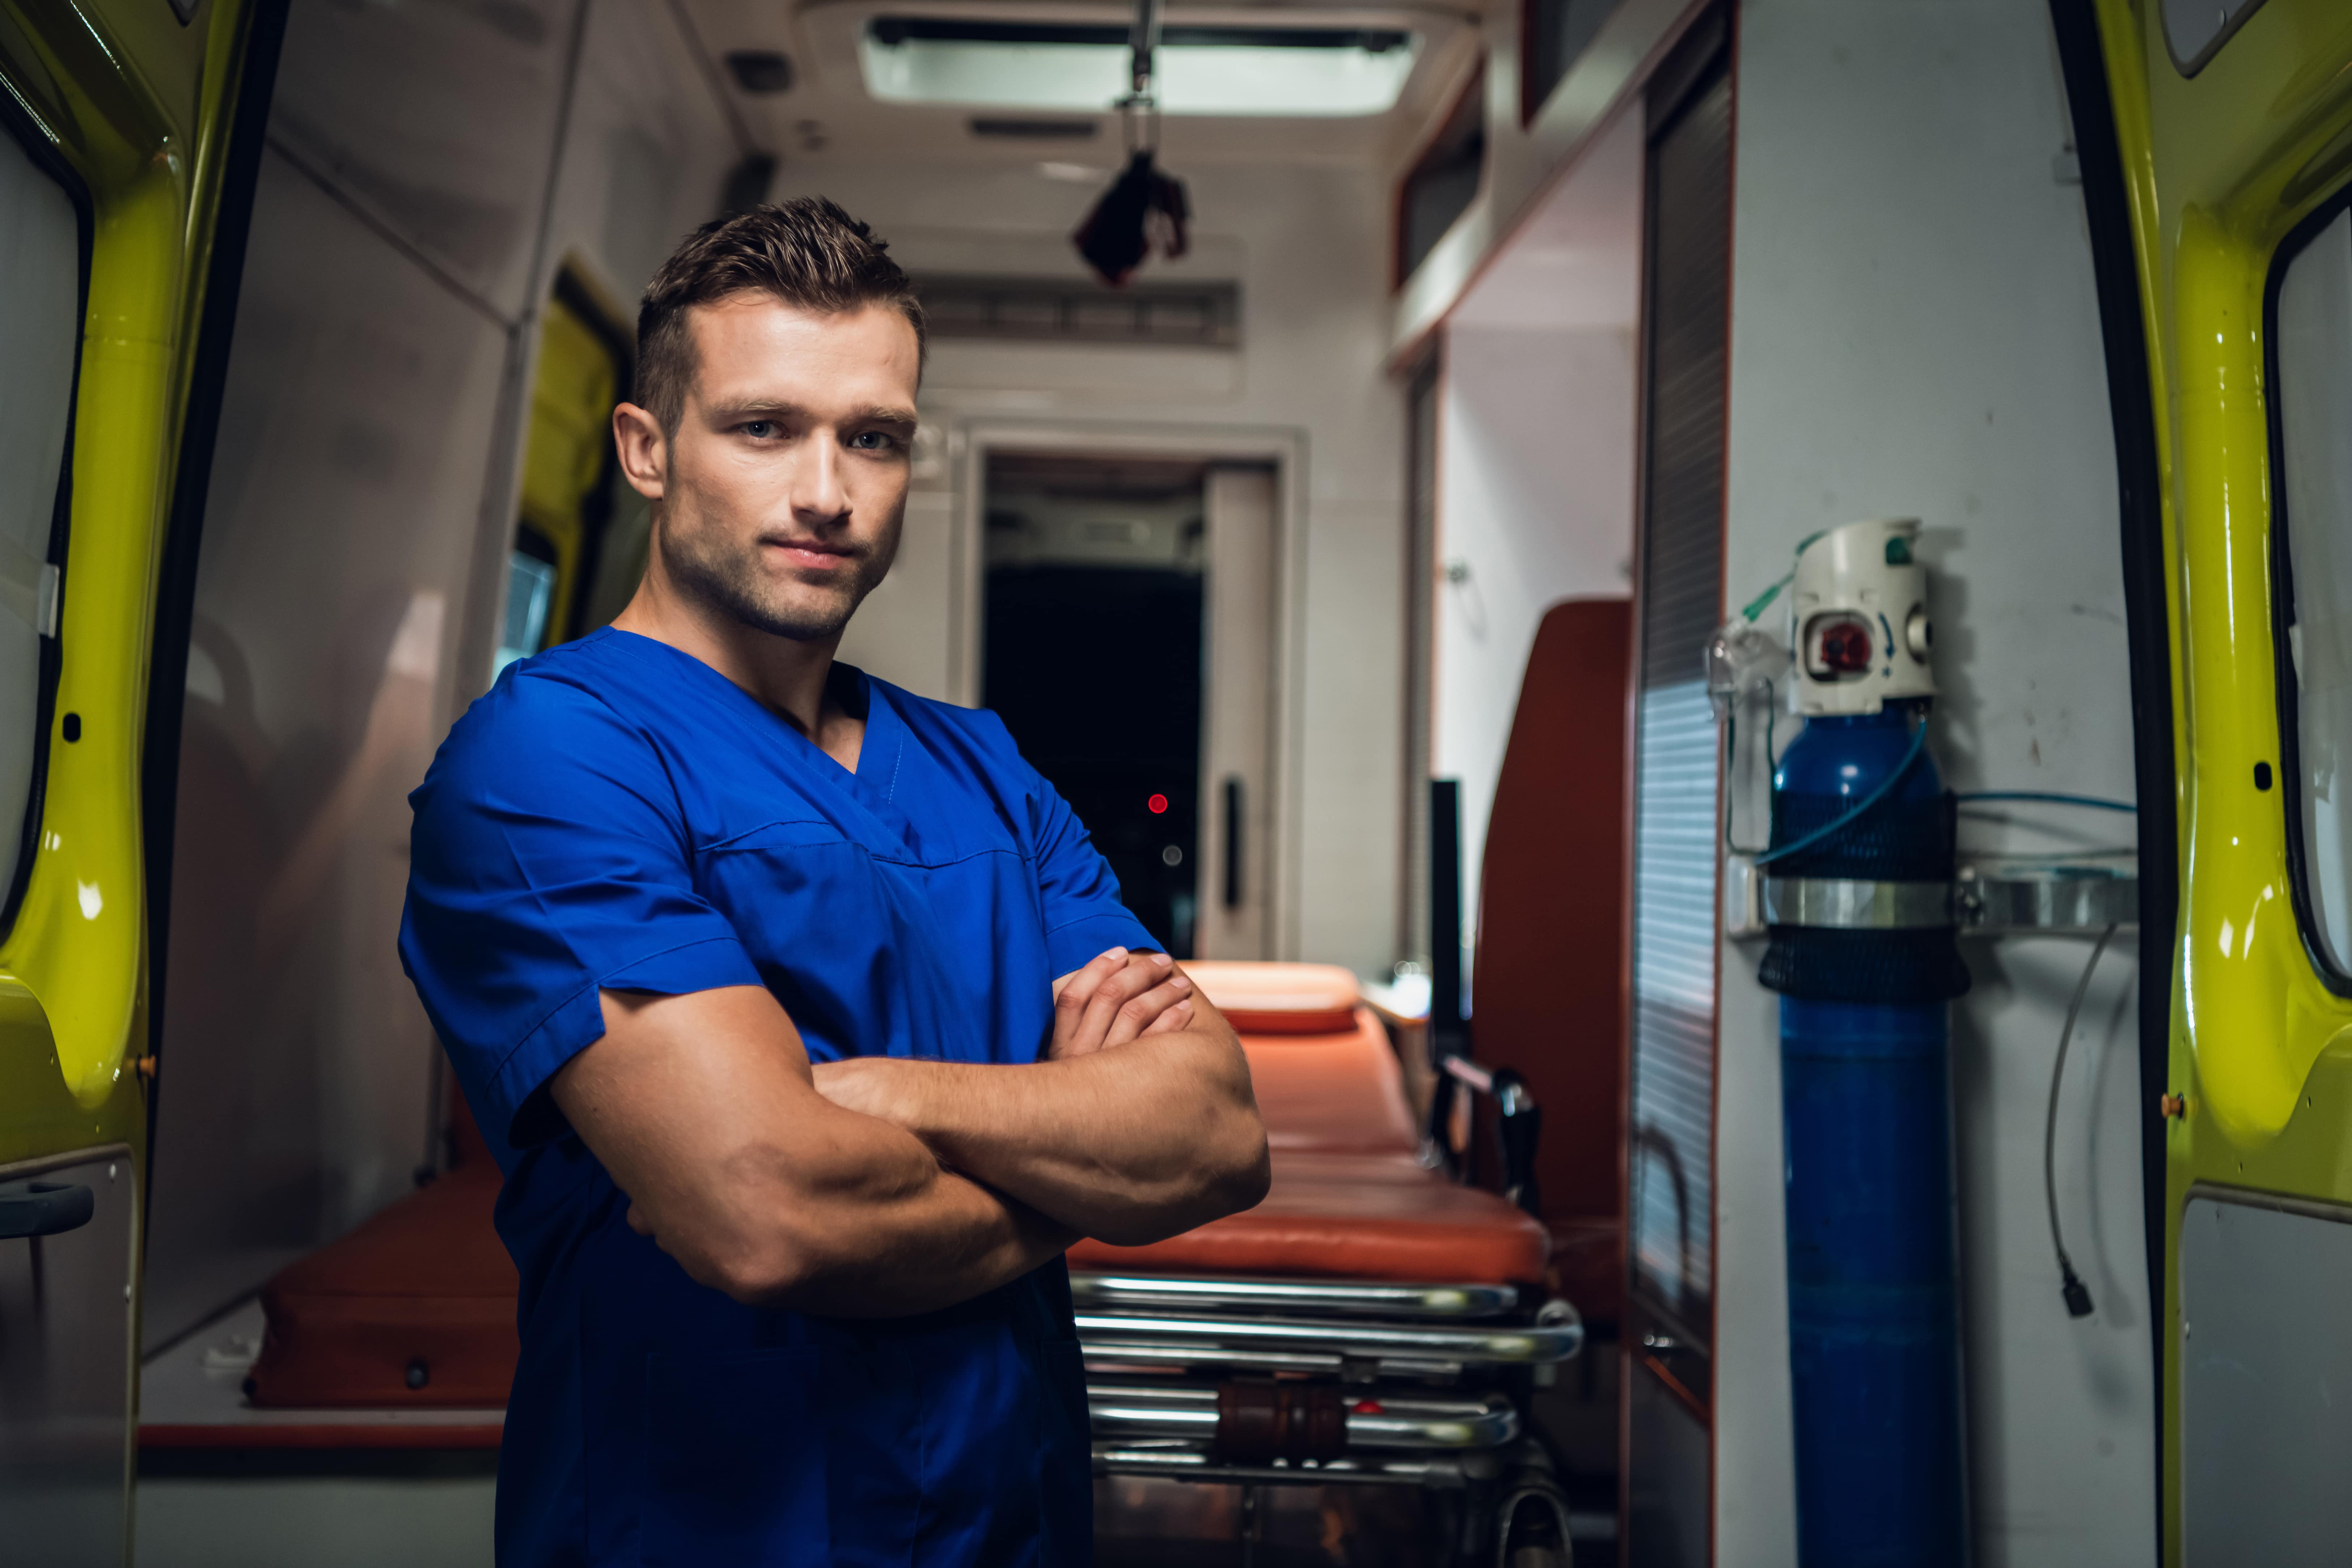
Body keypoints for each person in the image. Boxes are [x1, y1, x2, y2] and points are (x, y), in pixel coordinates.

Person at [399, 197, 1271, 1566]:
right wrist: (1087, 1170)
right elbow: (769, 1210)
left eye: (874, 438)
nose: (828, 488)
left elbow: (1217, 1133)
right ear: (645, 448)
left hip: (1013, 1523)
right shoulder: (550, 758)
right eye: (764, 429)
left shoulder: (981, 767)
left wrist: (880, 1097)